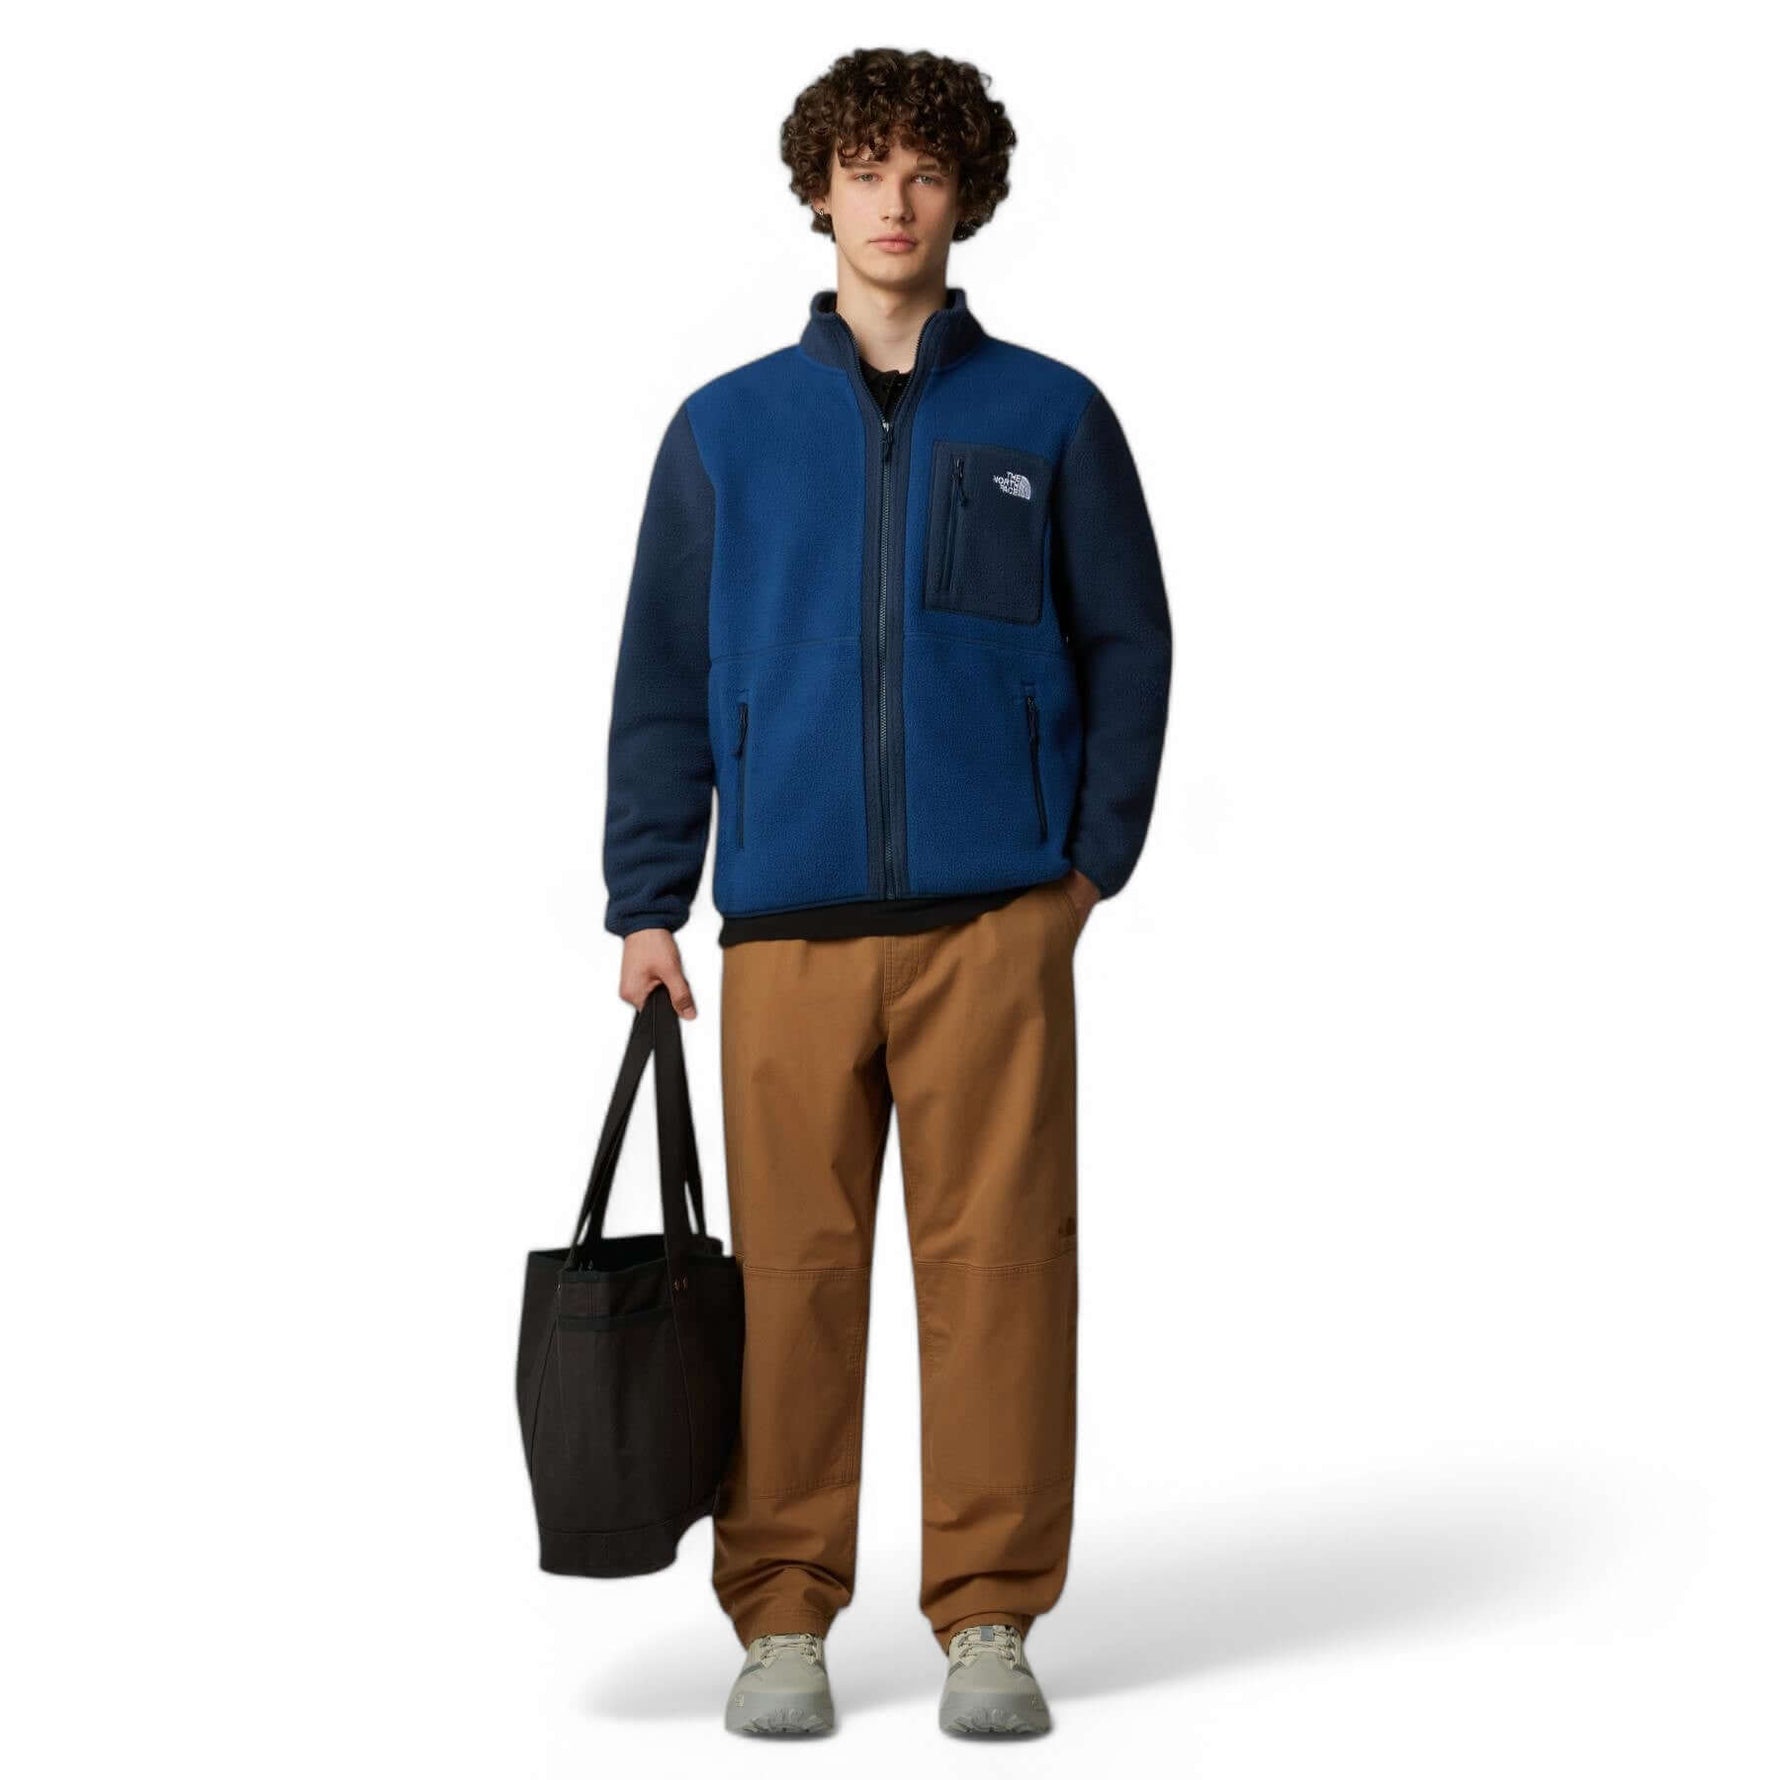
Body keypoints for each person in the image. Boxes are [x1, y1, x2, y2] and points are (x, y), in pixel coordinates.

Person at [601, 46, 1171, 1736]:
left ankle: (990, 1617)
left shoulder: (1051, 416)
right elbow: (661, 675)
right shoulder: (724, 430)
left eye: (925, 171)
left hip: (997, 924)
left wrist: (1085, 869)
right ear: (819, 192)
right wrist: (649, 900)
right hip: (784, 932)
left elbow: (1128, 646)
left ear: (965, 193)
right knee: (789, 1284)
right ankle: (782, 1615)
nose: (895, 201)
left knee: (1002, 1277)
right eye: (865, 170)